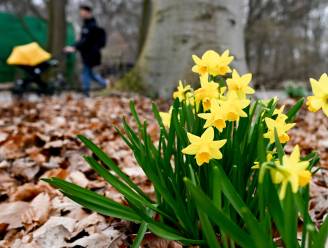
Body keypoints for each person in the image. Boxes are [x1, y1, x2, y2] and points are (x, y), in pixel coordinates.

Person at [65, 5, 108, 96]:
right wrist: (72, 46)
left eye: (83, 11)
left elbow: (86, 41)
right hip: (87, 54)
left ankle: (86, 93)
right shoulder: (86, 25)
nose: (81, 14)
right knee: (90, 73)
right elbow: (81, 40)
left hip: (91, 54)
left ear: (88, 12)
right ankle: (105, 83)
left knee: (85, 72)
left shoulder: (91, 26)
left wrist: (74, 47)